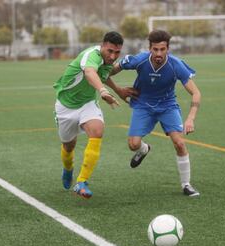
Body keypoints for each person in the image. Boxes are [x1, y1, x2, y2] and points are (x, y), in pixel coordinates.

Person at [110, 30, 201, 197]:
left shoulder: (176, 65)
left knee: (179, 143)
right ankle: (144, 149)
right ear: (149, 48)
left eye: (162, 49)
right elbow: (111, 70)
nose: (159, 53)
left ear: (168, 49)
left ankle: (186, 184)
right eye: (155, 49)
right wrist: (114, 86)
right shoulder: (139, 60)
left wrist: (190, 118)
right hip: (143, 105)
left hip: (168, 106)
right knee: (133, 145)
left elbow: (196, 93)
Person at [53, 31, 135, 199]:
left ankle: (81, 181)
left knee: (97, 131)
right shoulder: (91, 55)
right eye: (110, 51)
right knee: (69, 146)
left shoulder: (106, 62)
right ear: (102, 46)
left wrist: (118, 90)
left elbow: (103, 75)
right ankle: (68, 168)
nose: (113, 56)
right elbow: (90, 72)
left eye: (117, 52)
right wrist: (103, 91)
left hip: (87, 104)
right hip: (65, 107)